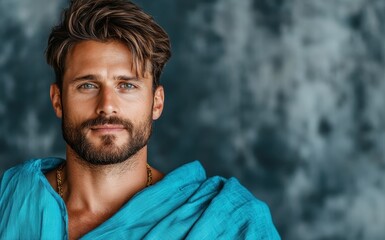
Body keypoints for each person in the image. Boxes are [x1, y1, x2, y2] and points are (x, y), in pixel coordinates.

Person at [0, 0, 280, 239]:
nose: (107, 106)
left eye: (127, 85)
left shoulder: (230, 224)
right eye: (87, 85)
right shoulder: (10, 201)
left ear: (156, 103)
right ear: (58, 100)